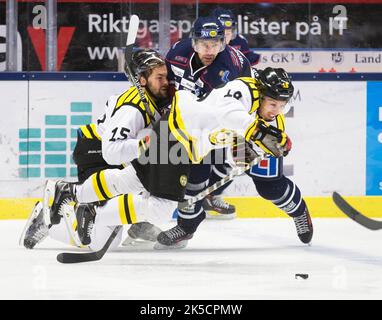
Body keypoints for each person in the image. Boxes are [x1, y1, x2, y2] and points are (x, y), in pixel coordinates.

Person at [20, 48, 172, 251]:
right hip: (96, 154)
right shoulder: (132, 109)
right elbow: (111, 151)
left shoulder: (153, 97)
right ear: (142, 80)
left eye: (166, 77)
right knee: (101, 241)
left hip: (113, 157)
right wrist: (145, 145)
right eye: (159, 77)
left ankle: (139, 223)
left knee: (151, 174)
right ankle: (48, 218)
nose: (166, 82)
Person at [156, 67, 313, 249]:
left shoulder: (274, 121)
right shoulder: (244, 89)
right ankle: (187, 226)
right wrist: (258, 133)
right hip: (207, 129)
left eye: (281, 105)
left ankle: (299, 212)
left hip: (230, 135)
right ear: (261, 95)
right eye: (272, 104)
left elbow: (240, 158)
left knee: (269, 186)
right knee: (192, 177)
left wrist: (248, 154)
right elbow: (227, 114)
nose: (276, 111)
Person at [166, 16, 253, 219]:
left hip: (231, 111)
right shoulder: (177, 52)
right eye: (204, 44)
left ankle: (207, 197)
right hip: (195, 111)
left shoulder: (226, 70)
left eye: (215, 44)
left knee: (226, 161)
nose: (210, 51)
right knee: (170, 161)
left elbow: (217, 112)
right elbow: (166, 82)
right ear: (194, 42)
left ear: (223, 43)